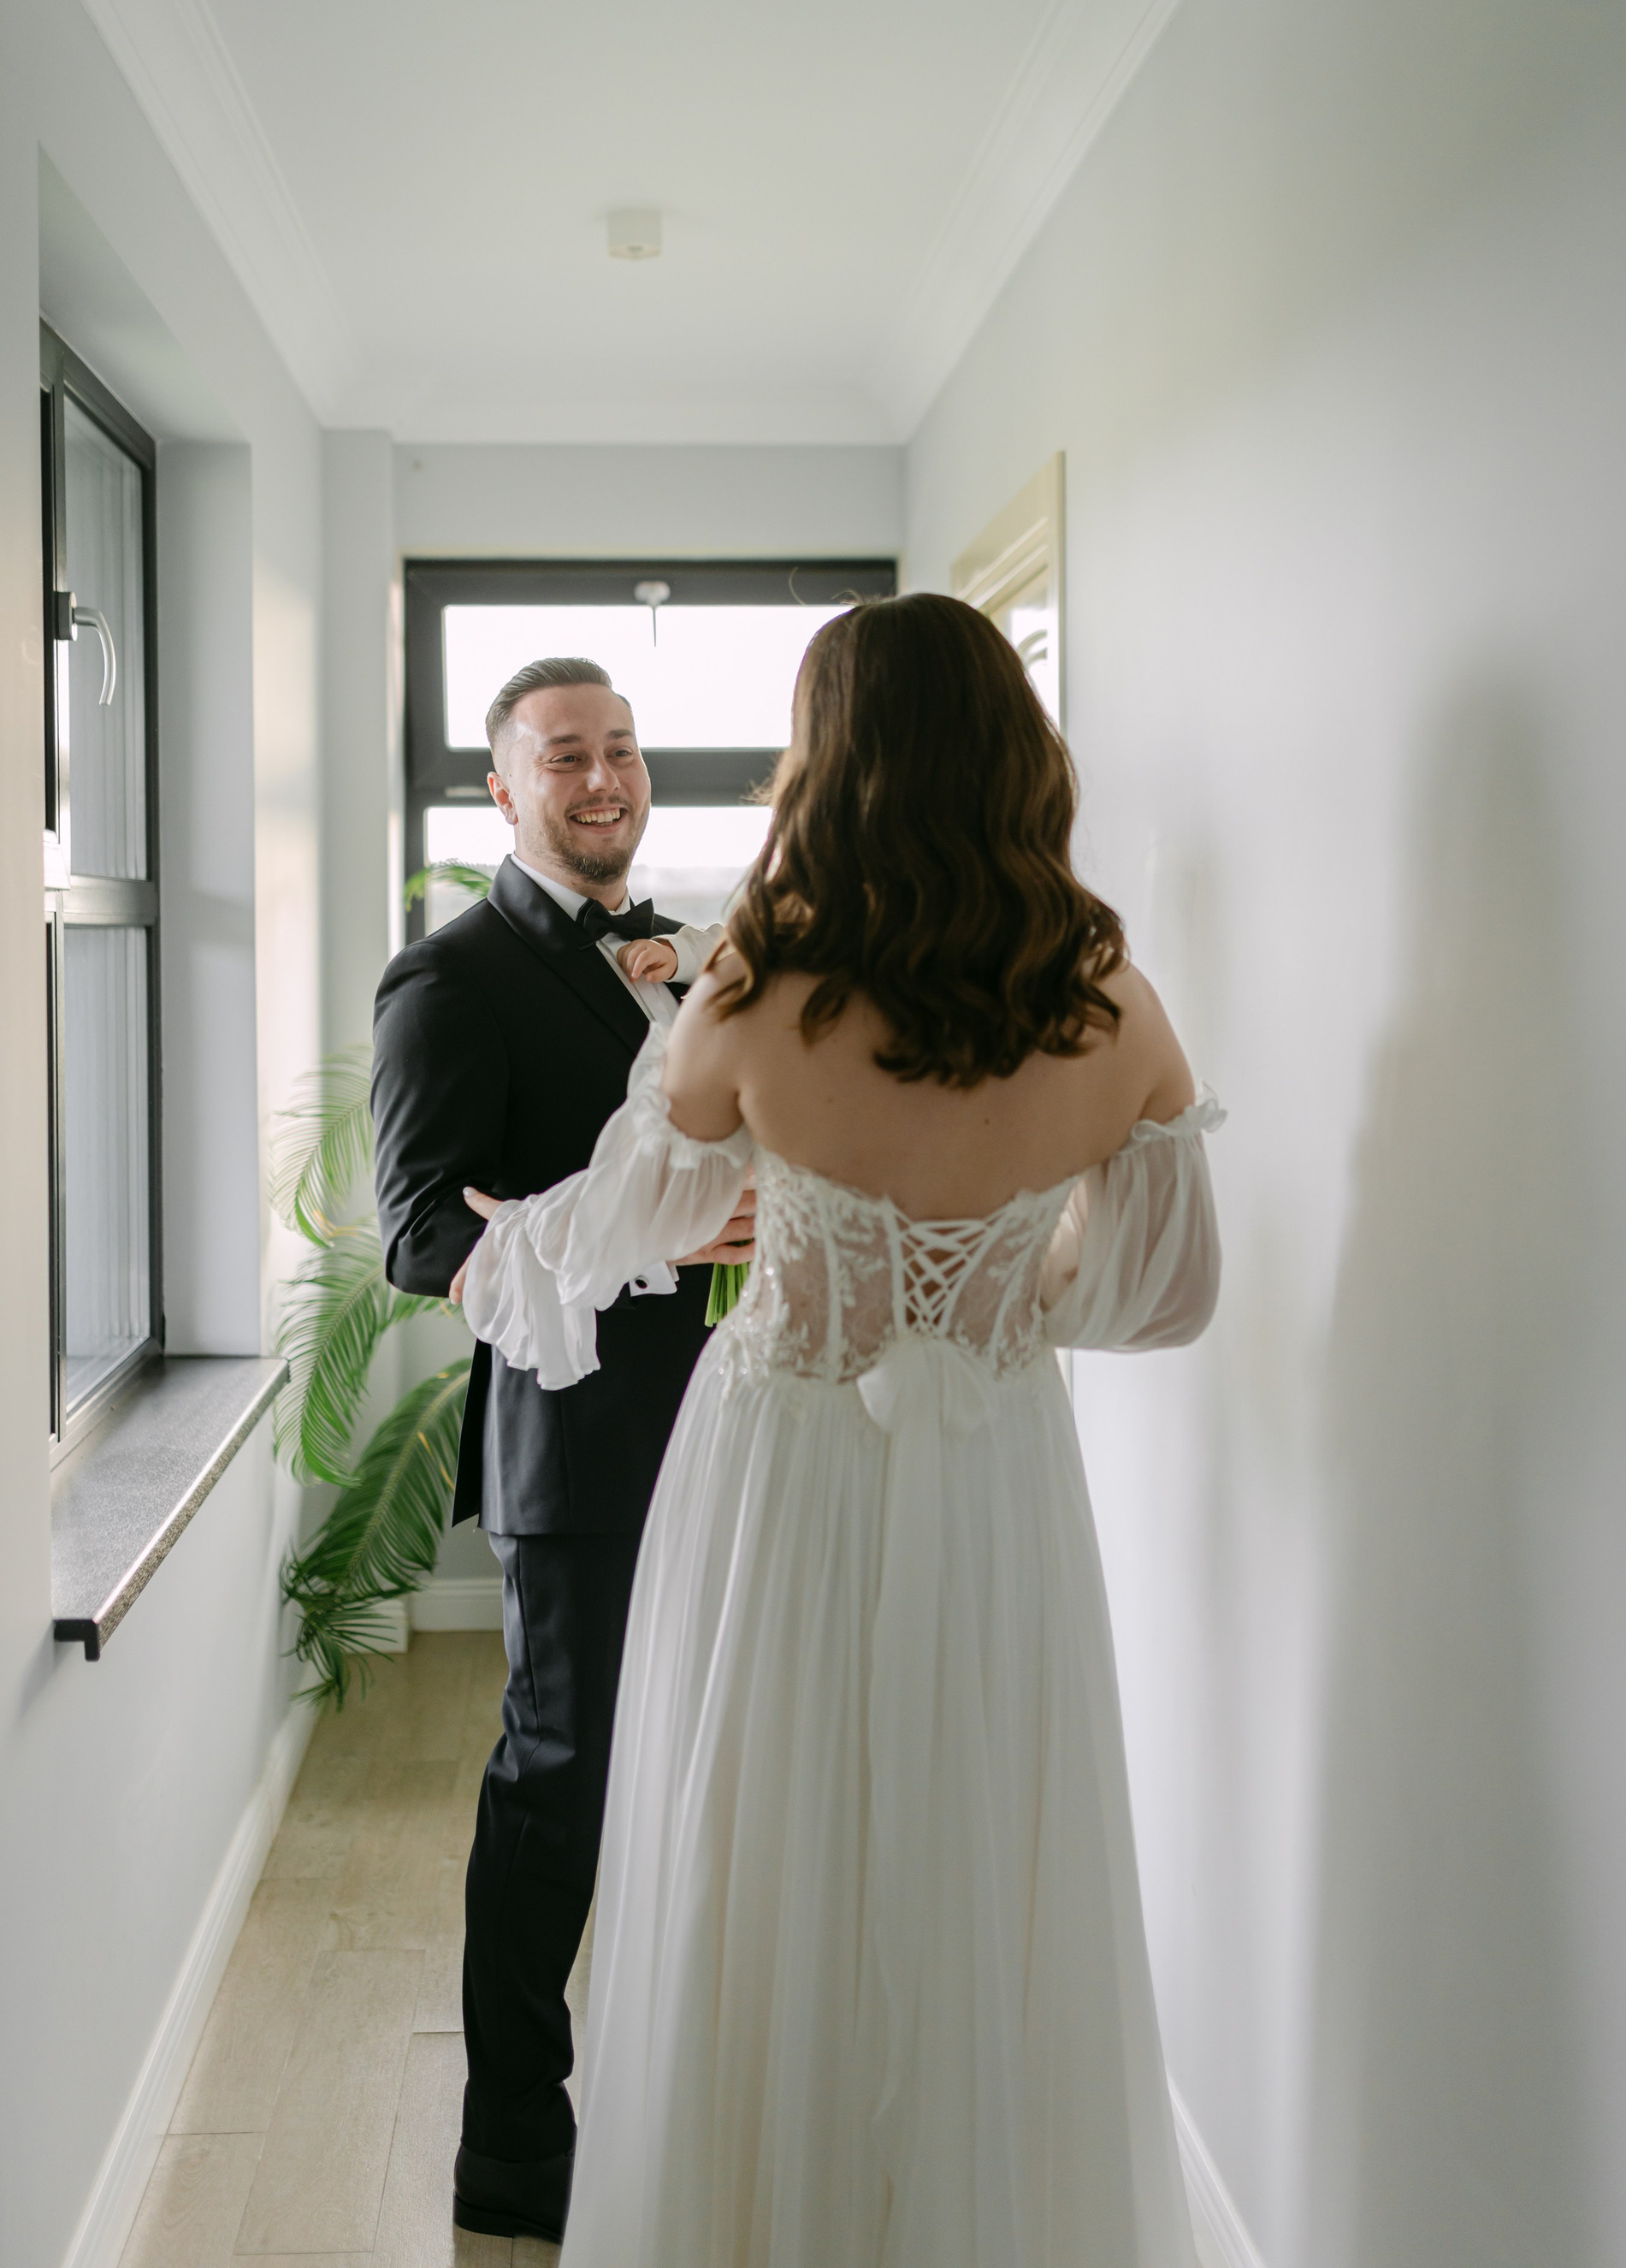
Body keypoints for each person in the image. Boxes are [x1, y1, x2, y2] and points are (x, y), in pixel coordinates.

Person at [456, 595, 1225, 2268]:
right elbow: (1166, 1294)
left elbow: (638, 1223)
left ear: (831, 760)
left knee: (772, 1853)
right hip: (1002, 1469)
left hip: (786, 1471)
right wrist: (1006, 1293)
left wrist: (515, 1243)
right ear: (1015, 756)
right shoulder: (1108, 1000)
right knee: (983, 1840)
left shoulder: (756, 995)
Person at [370, 656, 754, 2247]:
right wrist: (657, 1236)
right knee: (562, 1783)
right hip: (577, 1451)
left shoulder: (688, 955)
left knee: (702, 1773)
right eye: (565, 757)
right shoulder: (449, 977)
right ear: (501, 789)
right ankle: (514, 2140)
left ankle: (681, 2100)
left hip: (735, 1426)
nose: (603, 780)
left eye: (622, 750)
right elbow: (416, 1233)